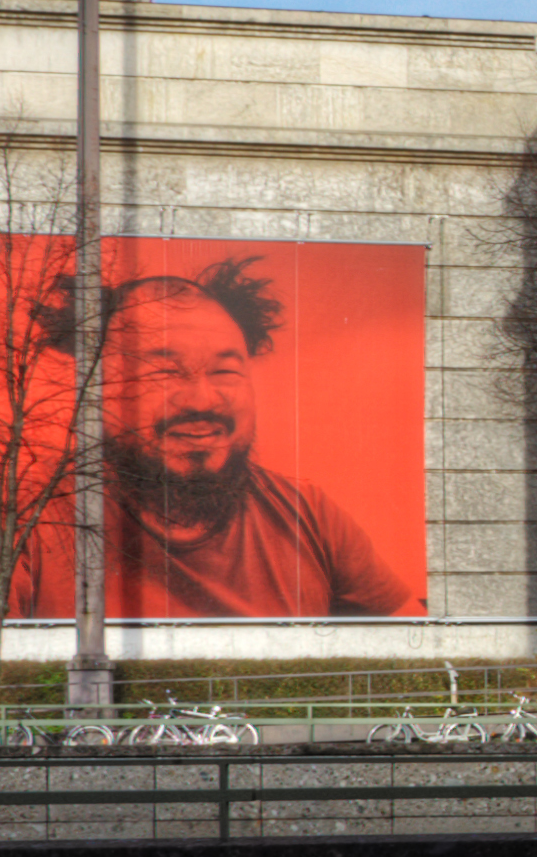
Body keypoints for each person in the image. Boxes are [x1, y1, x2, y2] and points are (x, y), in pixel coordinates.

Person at [77, 256, 412, 618]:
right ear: (96, 388)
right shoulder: (38, 526)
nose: (202, 400)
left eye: (225, 371)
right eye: (164, 372)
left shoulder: (306, 514)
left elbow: (412, 639)